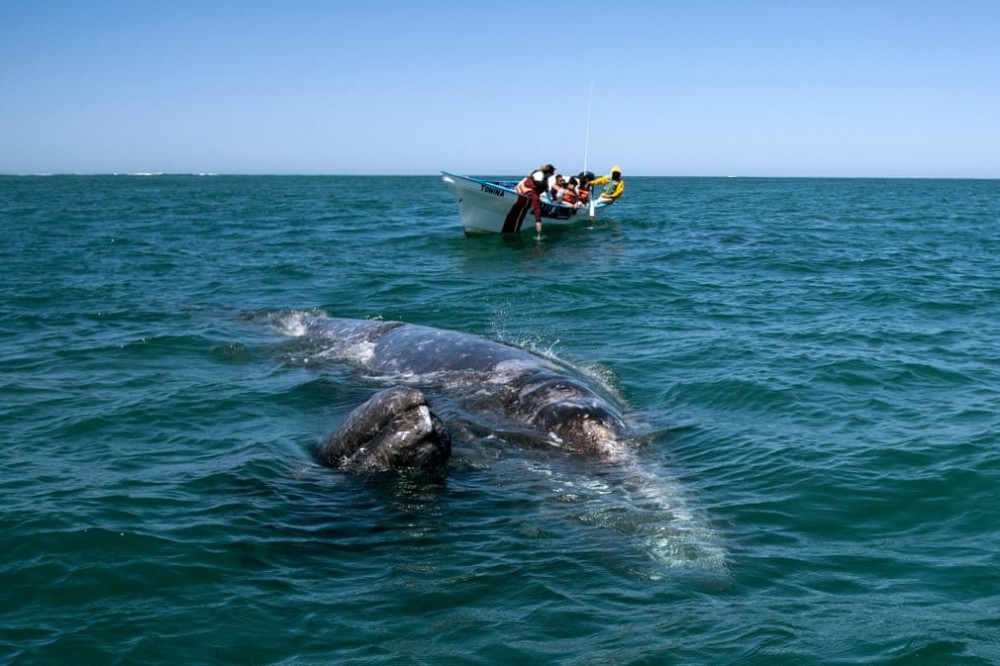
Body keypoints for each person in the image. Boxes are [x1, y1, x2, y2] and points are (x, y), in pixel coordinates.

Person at [514, 163, 555, 233]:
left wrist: (551, 200)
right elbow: (536, 206)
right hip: (526, 194)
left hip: (520, 190)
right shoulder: (533, 193)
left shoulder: (529, 179)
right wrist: (538, 221)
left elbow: (547, 191)